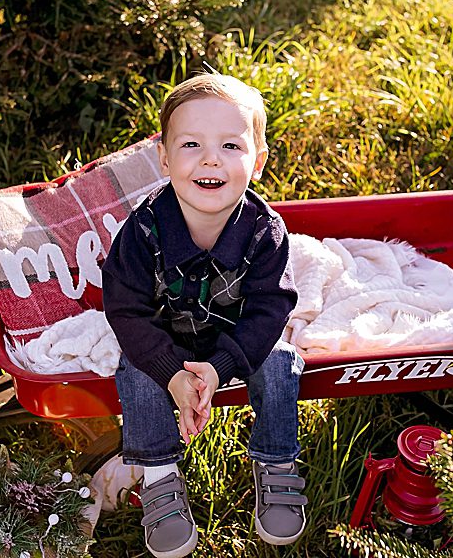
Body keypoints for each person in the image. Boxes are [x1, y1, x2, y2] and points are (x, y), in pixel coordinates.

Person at [101, 74, 304, 556]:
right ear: (165, 158)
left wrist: (222, 366)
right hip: (166, 338)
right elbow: (125, 307)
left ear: (257, 161)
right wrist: (171, 372)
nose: (211, 159)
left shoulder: (265, 232)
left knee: (279, 362)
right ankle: (159, 476)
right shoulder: (145, 229)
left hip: (237, 343)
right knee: (134, 369)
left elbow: (270, 309)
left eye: (231, 145)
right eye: (192, 144)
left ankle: (276, 463)